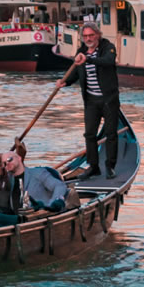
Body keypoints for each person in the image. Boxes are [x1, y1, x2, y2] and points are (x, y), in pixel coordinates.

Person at [55, 22, 120, 180]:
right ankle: (93, 166)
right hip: (91, 100)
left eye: (91, 35)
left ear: (98, 35)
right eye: (85, 36)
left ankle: (110, 166)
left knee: (111, 133)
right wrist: (65, 82)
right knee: (89, 134)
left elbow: (108, 61)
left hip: (108, 100)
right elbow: (77, 72)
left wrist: (88, 60)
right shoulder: (81, 52)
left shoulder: (108, 47)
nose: (88, 39)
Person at [2, 151, 72, 213]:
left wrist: (53, 203)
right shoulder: (7, 180)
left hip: (41, 216)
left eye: (9, 159)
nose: (7, 163)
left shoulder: (38, 173)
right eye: (4, 163)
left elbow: (59, 186)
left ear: (19, 158)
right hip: (18, 219)